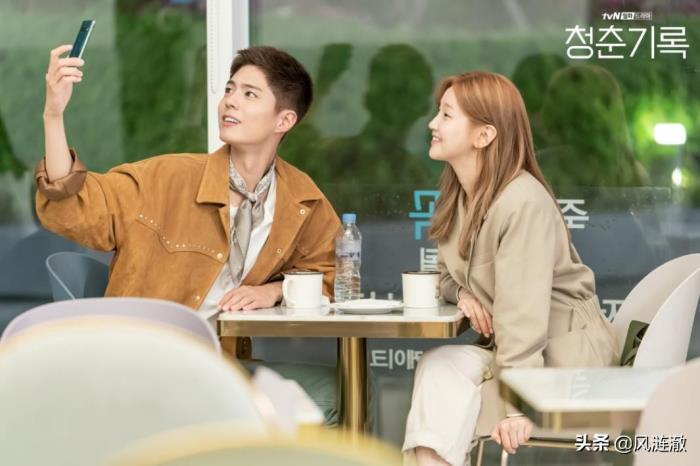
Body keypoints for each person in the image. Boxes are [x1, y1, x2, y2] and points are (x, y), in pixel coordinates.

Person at [402, 72, 619, 466]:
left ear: (484, 135)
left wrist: (518, 405)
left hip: (562, 358)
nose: (433, 124)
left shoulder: (522, 203)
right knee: (437, 369)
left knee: (443, 409)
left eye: (446, 115)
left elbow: (523, 315)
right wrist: (463, 295)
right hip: (514, 349)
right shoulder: (460, 196)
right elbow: (445, 275)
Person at [36, 44, 339, 311]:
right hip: (153, 346)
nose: (231, 101)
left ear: (284, 120)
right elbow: (71, 202)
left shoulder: (301, 199)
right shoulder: (165, 179)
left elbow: (334, 276)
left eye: (249, 94)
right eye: (229, 90)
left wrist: (274, 290)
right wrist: (53, 114)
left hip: (224, 349)